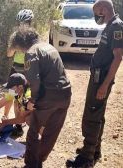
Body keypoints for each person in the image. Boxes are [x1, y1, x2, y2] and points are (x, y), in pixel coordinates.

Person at [66, 0, 123, 167]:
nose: (96, 16)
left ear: (104, 9)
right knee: (97, 113)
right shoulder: (111, 25)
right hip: (99, 77)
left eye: (97, 12)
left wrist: (105, 84)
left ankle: (87, 158)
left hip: (101, 79)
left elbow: (118, 57)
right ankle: (94, 149)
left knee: (92, 113)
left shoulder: (117, 26)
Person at [8, 27, 72, 168]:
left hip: (48, 95)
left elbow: (34, 80)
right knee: (51, 132)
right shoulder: (49, 47)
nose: (19, 51)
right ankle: (40, 160)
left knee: (33, 130)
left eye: (17, 48)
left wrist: (32, 100)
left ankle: (31, 164)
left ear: (21, 43)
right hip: (65, 93)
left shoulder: (31, 52)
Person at [7, 9, 34, 75]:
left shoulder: (34, 36)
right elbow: (9, 54)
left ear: (30, 24)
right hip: (16, 68)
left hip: (31, 68)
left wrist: (18, 48)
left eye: (25, 24)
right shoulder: (15, 35)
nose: (22, 26)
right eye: (20, 23)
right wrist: (14, 48)